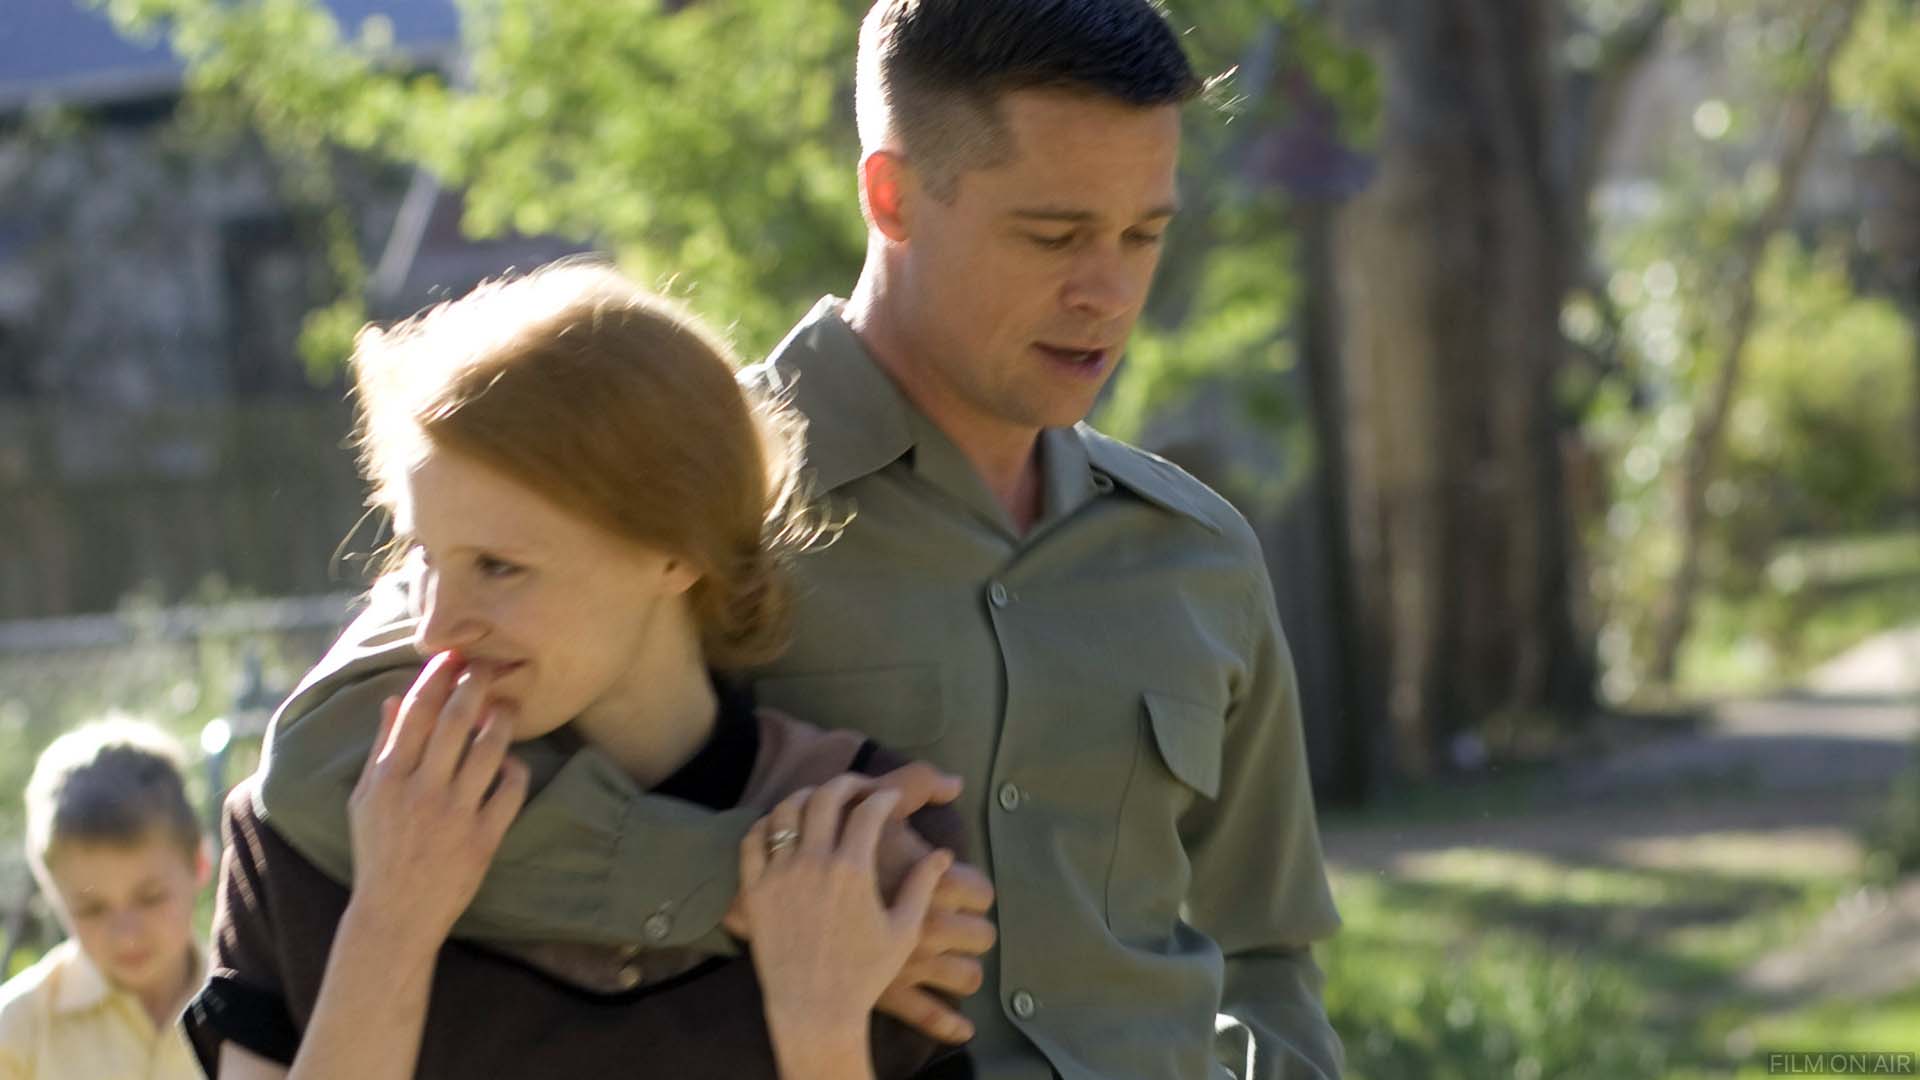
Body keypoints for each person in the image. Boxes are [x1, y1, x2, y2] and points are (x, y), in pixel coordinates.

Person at [257, 1, 1345, 1076]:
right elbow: (325, 763)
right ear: (894, 196)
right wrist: (733, 881)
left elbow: (1266, 951)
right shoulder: (664, 487)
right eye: (1053, 235)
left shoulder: (1199, 554)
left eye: (1142, 235)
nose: (1108, 291)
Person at [182, 263, 974, 1079]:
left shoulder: (863, 840)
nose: (434, 625)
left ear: (677, 549)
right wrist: (389, 922)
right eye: (424, 555)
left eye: (498, 566)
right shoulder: (314, 825)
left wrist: (821, 1030)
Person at [0, 719, 208, 1080]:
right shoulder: (16, 1029)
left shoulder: (252, 1005)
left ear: (200, 866)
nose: (126, 934)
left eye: (151, 898)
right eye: (92, 909)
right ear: (53, 895)